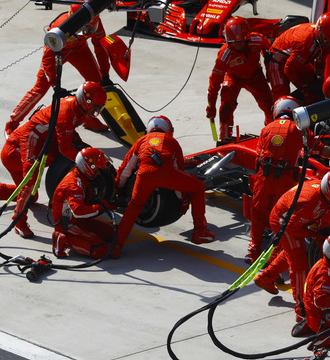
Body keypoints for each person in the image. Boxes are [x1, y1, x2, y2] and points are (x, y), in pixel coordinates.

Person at [246, 96, 330, 264]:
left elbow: (258, 158)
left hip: (264, 178)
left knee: (258, 214)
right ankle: (273, 258)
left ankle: (253, 251)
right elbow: (321, 151)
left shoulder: (267, 129)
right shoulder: (300, 130)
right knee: (282, 220)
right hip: (285, 180)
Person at [1, 80, 107, 238]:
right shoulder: (66, 113)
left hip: (39, 142)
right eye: (96, 107)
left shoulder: (80, 109)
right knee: (30, 182)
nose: (97, 110)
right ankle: (18, 222)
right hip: (18, 149)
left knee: (32, 197)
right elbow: (65, 148)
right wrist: (88, 161)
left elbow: (71, 137)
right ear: (87, 102)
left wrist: (91, 153)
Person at [253, 169, 330, 328]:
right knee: (299, 265)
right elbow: (293, 227)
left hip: (293, 219)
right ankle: (301, 310)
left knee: (293, 253)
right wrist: (314, 234)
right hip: (284, 223)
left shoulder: (327, 194)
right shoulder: (310, 201)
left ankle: (266, 277)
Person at [113, 115, 214, 258]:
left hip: (144, 176)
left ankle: (116, 247)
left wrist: (118, 189)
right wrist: (182, 201)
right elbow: (179, 169)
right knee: (198, 187)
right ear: (168, 129)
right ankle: (199, 232)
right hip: (167, 174)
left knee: (134, 207)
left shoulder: (140, 141)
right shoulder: (172, 141)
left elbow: (125, 170)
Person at [6, 4, 110, 137]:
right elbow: (47, 60)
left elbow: (100, 47)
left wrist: (105, 74)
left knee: (97, 82)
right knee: (39, 89)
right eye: (85, 29)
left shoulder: (94, 19)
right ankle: (12, 123)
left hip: (80, 49)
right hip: (57, 52)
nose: (89, 32)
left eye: (91, 28)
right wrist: (55, 84)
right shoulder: (59, 28)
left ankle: (88, 118)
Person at [206, 16, 274, 141]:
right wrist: (211, 105)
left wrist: (269, 70)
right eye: (235, 43)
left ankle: (270, 133)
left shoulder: (258, 39)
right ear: (229, 42)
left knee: (271, 107)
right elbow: (215, 81)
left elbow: (269, 49)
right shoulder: (224, 55)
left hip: (256, 77)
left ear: (247, 36)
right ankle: (225, 139)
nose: (239, 45)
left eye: (242, 41)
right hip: (233, 78)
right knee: (225, 108)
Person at [51, 147, 117, 258]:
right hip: (68, 225)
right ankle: (62, 237)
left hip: (81, 220)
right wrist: (102, 207)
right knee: (102, 250)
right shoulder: (74, 185)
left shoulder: (83, 177)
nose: (100, 173)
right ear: (90, 168)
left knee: (115, 234)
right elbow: (79, 211)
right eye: (98, 169)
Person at [266, 12, 330, 105]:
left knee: (314, 82)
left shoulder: (325, 40)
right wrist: (304, 89)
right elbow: (289, 69)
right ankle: (276, 118)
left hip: (296, 57)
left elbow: (321, 60)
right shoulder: (306, 43)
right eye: (329, 42)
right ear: (320, 35)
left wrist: (319, 80)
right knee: (282, 101)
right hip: (277, 61)